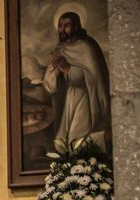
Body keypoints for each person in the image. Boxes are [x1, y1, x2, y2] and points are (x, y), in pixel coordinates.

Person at [42, 11, 110, 149]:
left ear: (77, 26)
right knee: (62, 143)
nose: (62, 29)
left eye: (66, 25)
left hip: (87, 99)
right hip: (69, 99)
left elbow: (94, 76)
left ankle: (105, 138)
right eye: (60, 25)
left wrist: (67, 69)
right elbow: (50, 85)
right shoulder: (60, 49)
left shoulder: (87, 47)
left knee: (78, 141)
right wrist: (55, 70)